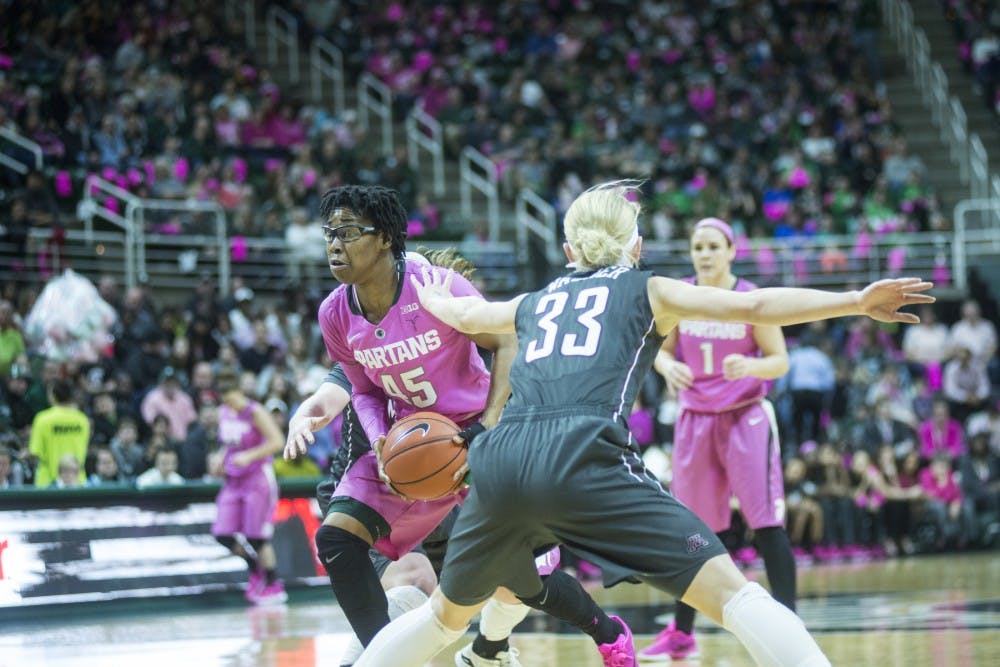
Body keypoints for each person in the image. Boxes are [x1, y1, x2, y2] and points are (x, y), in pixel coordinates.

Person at [355, 181, 934, 667]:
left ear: (567, 247)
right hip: (581, 454)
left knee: (442, 620)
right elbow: (755, 308)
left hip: (500, 459)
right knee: (733, 596)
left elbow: (467, 314)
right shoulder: (648, 288)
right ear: (635, 244)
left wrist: (425, 289)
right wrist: (856, 299)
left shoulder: (537, 299)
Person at [297, 187, 550, 667]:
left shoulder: (435, 287)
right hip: (412, 440)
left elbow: (506, 340)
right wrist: (381, 444)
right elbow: (365, 392)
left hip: (475, 436)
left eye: (348, 233)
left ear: (387, 237)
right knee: (336, 538)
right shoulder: (334, 312)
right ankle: (383, 657)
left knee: (529, 573)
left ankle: (490, 648)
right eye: (330, 233)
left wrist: (489, 425)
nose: (335, 244)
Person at [643, 217, 795, 662]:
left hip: (745, 416)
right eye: (697, 247)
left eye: (713, 246)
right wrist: (668, 368)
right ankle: (683, 631)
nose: (704, 254)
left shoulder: (749, 298)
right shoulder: (679, 297)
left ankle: (787, 623)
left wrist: (751, 367)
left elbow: (780, 360)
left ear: (731, 251)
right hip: (695, 418)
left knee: (765, 521)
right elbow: (660, 353)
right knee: (692, 529)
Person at [210, 369, 287, 605]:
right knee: (222, 533)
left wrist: (249, 456)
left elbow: (277, 442)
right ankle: (254, 567)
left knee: (256, 536)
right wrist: (219, 458)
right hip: (233, 480)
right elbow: (228, 444)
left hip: (257, 478)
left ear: (238, 391)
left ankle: (273, 582)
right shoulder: (223, 413)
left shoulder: (255, 411)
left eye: (231, 397)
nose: (229, 403)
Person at [29, 379, 89, 487]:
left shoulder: (42, 419)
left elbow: (36, 452)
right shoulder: (82, 419)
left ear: (52, 395)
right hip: (77, 479)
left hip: (47, 483)